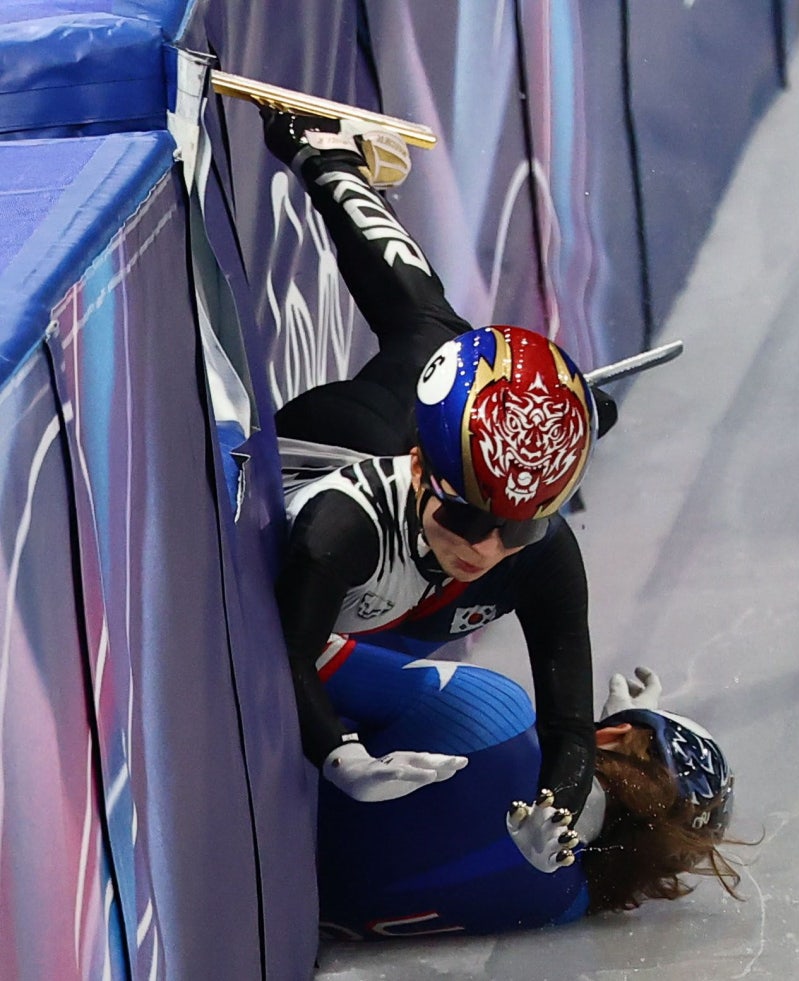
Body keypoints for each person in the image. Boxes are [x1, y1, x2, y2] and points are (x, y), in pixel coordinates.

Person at [262, 106, 619, 839]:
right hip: (342, 441)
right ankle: (323, 155)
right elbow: (287, 654)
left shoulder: (542, 552)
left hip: (411, 541)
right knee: (435, 337)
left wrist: (557, 809)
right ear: (424, 468)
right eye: (468, 516)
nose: (485, 547)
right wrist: (339, 755)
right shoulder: (346, 525)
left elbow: (570, 725)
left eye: (516, 528)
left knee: (445, 340)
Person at [314, 658, 737, 939]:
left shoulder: (494, 711)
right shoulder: (561, 908)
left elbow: (298, 650)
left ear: (612, 734)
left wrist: (599, 732)